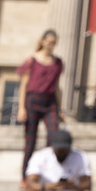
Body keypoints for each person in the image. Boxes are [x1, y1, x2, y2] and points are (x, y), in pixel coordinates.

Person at [16, 29, 64, 180]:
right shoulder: (32, 61)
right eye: (49, 42)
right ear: (42, 41)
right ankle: (26, 176)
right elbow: (24, 86)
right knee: (30, 140)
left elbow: (57, 87)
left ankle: (48, 172)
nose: (51, 45)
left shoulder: (58, 63)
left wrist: (60, 110)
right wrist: (21, 108)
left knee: (53, 135)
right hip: (32, 100)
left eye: (54, 43)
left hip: (50, 102)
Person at [16, 129, 92, 191]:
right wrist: (47, 187)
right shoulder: (41, 156)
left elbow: (87, 183)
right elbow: (29, 183)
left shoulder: (81, 157)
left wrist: (73, 187)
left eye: (64, 149)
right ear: (52, 146)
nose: (61, 152)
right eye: (59, 149)